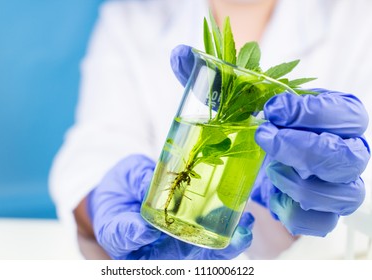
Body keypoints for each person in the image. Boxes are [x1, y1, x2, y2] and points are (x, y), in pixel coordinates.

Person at [49, 0, 372, 260]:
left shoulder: (358, 18)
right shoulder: (132, 17)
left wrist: (332, 184)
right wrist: (99, 201)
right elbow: (98, 140)